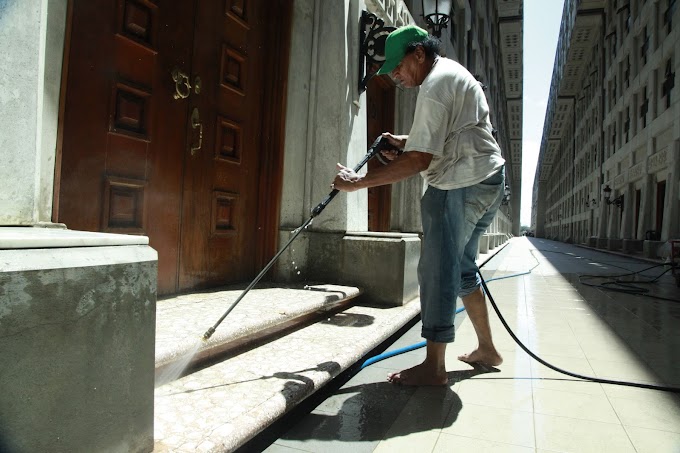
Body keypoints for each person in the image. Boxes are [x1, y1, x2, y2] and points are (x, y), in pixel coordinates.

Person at [332, 24, 506, 386]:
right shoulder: (450, 74)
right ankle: (487, 348)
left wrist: (358, 183)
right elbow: (447, 136)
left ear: (419, 54)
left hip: (459, 184)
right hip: (486, 179)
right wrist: (405, 141)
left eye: (398, 66)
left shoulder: (435, 85)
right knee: (461, 269)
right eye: (390, 72)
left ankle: (434, 367)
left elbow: (419, 161)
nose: (395, 76)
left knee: (437, 270)